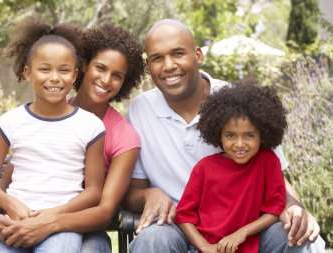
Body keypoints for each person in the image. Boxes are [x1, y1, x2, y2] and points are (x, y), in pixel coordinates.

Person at [123, 19, 325, 252]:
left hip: (248, 225)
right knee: (151, 241)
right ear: (148, 65)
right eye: (157, 58)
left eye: (178, 53)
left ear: (198, 55)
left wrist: (294, 208)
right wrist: (150, 194)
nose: (168, 65)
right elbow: (131, 191)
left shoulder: (237, 102)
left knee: (299, 236)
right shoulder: (140, 110)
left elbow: (276, 176)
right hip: (176, 224)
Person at [0, 23, 146, 253]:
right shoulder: (47, 109)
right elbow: (13, 174)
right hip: (26, 215)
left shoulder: (122, 136)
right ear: (83, 66)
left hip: (83, 226)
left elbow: (104, 211)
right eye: (100, 68)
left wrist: (48, 223)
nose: (106, 80)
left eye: (117, 76)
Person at [0, 16, 106, 253]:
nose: (54, 78)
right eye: (44, 69)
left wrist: (51, 216)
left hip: (62, 225)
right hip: (15, 220)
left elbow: (94, 191)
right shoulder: (9, 122)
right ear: (28, 72)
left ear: (75, 75)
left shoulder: (90, 126)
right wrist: (10, 204)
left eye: (64, 70)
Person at [175, 81, 287, 253]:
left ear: (262, 135)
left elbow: (275, 209)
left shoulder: (268, 162)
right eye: (230, 135)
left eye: (249, 135)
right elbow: (184, 215)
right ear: (218, 134)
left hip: (250, 247)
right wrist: (205, 247)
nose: (239, 144)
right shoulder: (204, 168)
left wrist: (242, 233)